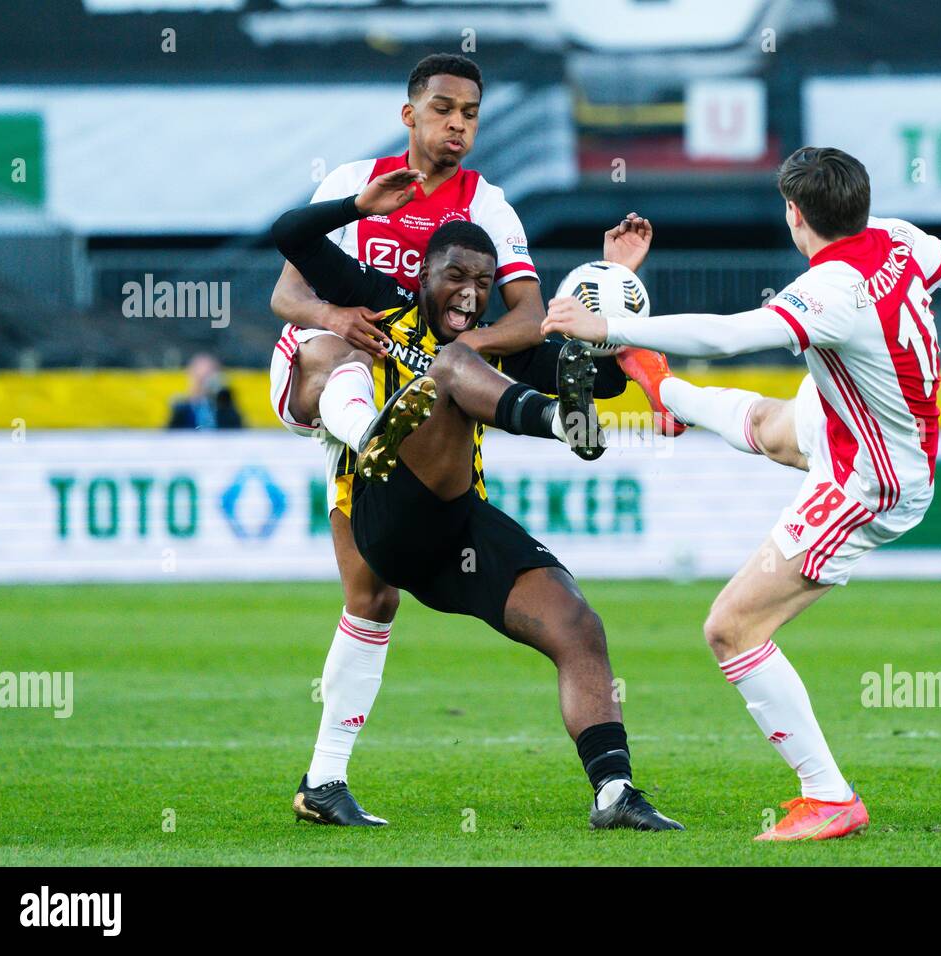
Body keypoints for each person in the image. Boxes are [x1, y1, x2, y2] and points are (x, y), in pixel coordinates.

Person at [545, 146, 941, 841]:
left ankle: (829, 796)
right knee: (764, 423)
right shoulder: (899, 239)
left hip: (870, 481)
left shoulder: (830, 293)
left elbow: (729, 335)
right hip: (858, 424)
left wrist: (607, 325)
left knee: (731, 627)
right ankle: (663, 391)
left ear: (795, 213)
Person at [270, 167, 682, 832]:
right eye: (454, 276)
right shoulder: (381, 300)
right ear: (423, 274)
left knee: (577, 623)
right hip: (383, 504)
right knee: (456, 365)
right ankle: (553, 425)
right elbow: (289, 235)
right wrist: (356, 204)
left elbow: (601, 380)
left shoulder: (497, 343)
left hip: (454, 529)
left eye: (483, 283)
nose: (469, 293)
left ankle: (614, 791)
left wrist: (613, 295)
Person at [167, 353, 243, 430]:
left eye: (208, 376)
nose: (204, 383)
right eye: (199, 377)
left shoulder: (226, 409)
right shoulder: (182, 410)